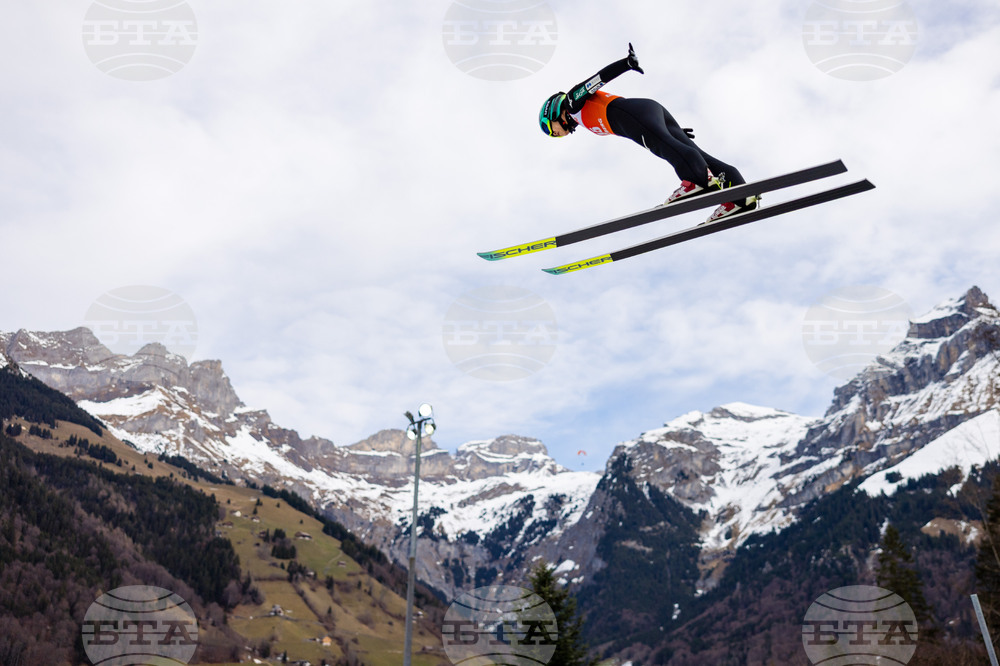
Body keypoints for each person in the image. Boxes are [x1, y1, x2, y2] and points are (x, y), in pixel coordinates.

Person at [539, 44, 758, 223]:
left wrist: (626, 64)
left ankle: (696, 180)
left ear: (553, 113)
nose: (557, 135)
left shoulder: (571, 102)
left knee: (662, 146)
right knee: (694, 152)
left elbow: (596, 80)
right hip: (647, 112)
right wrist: (675, 132)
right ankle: (741, 196)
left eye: (552, 130)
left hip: (634, 115)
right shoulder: (578, 115)